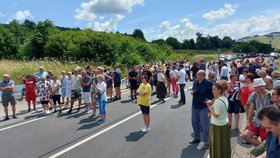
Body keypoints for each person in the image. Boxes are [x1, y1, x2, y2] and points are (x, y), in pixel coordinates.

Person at [242, 78, 272, 146]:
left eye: (261, 85)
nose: (260, 88)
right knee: (245, 136)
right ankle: (263, 149)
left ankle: (264, 150)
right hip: (256, 120)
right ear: (255, 87)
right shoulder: (254, 95)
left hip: (266, 122)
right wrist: (248, 121)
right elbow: (251, 108)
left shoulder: (270, 95)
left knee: (265, 140)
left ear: (264, 85)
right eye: (258, 86)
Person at [190, 70, 214, 150]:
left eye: (199, 74)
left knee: (205, 125)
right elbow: (194, 90)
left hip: (204, 107)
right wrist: (193, 92)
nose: (197, 75)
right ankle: (197, 137)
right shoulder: (196, 82)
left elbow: (215, 93)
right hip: (195, 105)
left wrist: (211, 101)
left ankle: (207, 142)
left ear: (203, 75)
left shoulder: (209, 83)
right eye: (197, 74)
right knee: (194, 123)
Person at [206, 80, 231, 158]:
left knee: (216, 144)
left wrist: (209, 106)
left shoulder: (218, 101)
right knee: (223, 144)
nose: (212, 91)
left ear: (220, 90)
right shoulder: (224, 98)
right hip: (223, 124)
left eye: (214, 89)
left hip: (217, 126)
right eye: (212, 89)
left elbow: (216, 115)